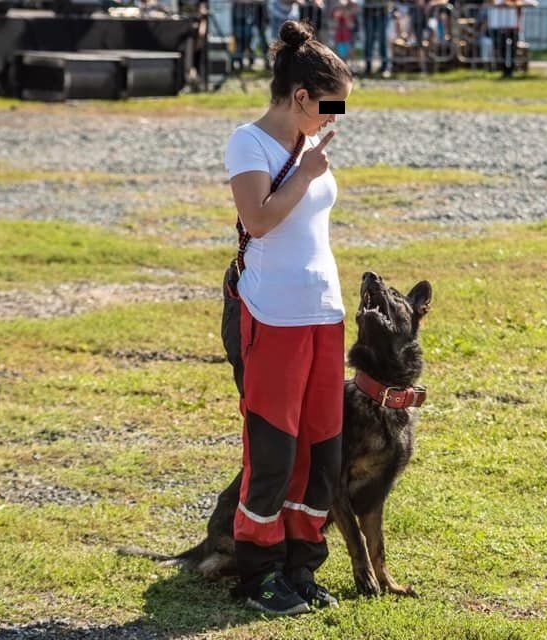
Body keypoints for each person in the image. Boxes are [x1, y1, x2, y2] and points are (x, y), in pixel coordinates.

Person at [222, 19, 353, 616]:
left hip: (325, 311)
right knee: (273, 447)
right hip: (272, 313)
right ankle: (258, 573)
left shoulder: (312, 147)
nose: (334, 118)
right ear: (300, 95)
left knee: (321, 449)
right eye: (330, 106)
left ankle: (302, 565)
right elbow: (259, 219)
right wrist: (303, 175)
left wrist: (310, 168)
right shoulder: (248, 143)